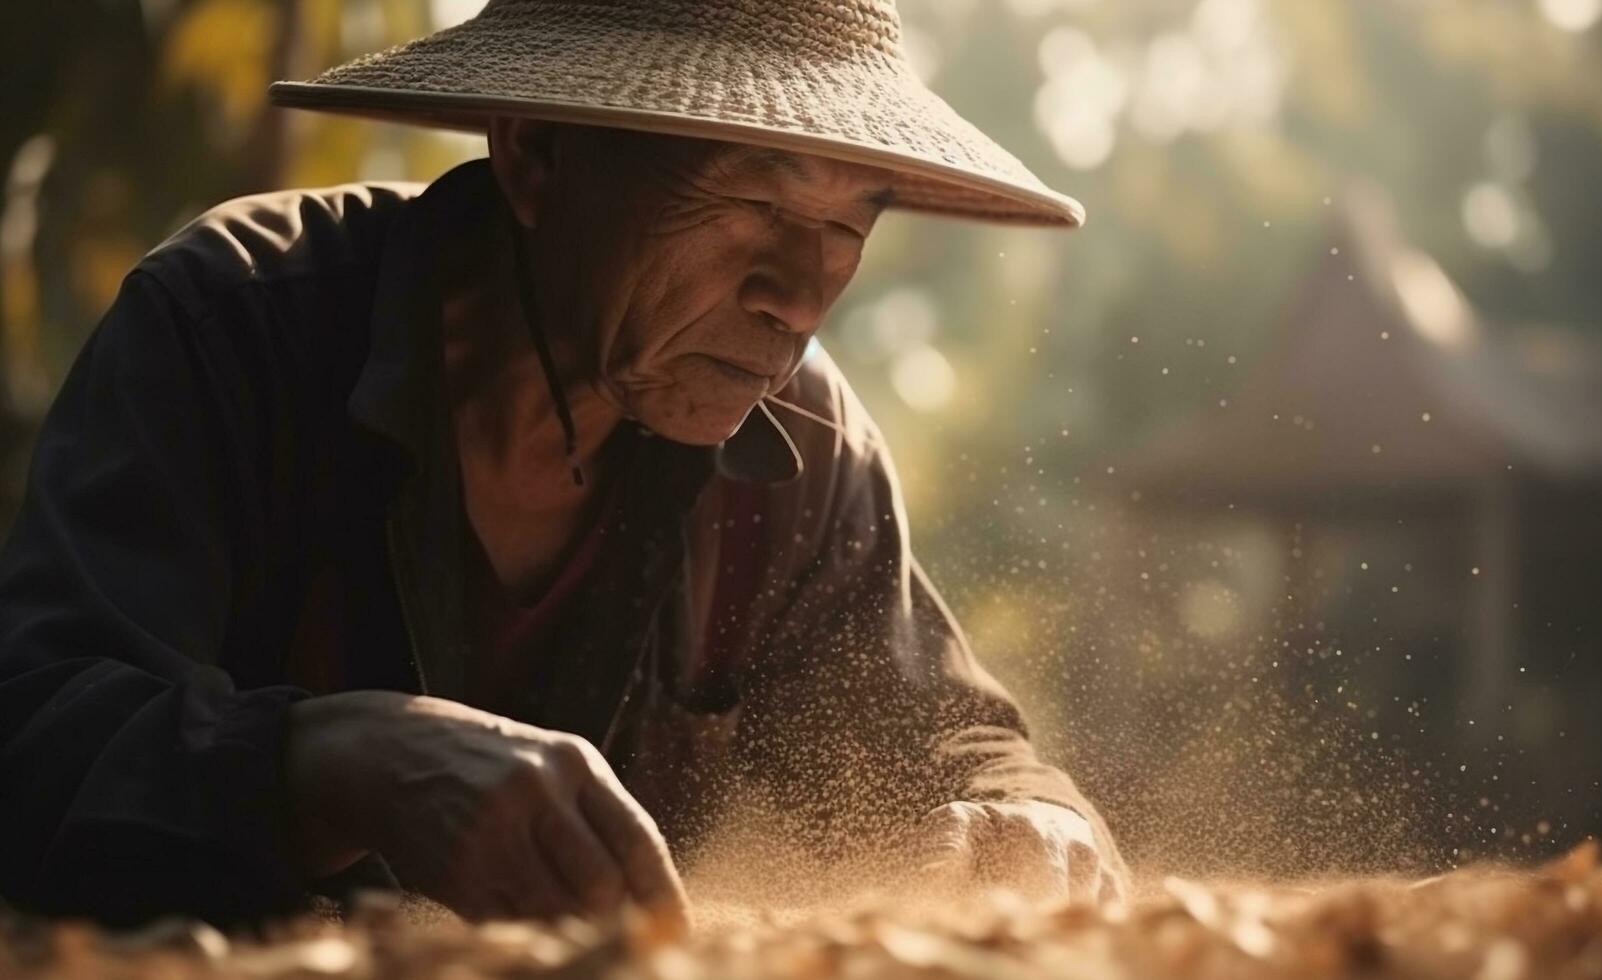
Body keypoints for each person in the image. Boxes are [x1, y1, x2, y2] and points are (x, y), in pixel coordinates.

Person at [0, 0, 1124, 927]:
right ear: (535, 152)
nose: (799, 293)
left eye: (848, 225)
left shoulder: (797, 463)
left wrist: (1029, 822)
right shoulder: (237, 329)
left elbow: (951, 755)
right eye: (754, 201)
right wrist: (336, 759)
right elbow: (36, 738)